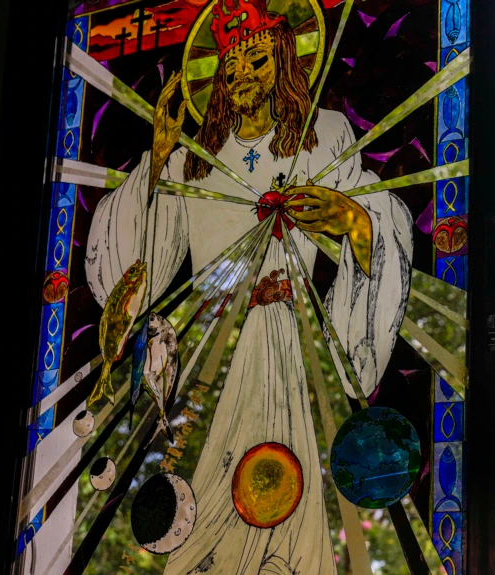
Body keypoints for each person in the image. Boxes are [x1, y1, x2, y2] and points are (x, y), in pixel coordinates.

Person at [84, 0, 412, 572]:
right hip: (212, 351)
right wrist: (159, 160)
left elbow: (377, 218)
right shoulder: (193, 160)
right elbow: (145, 267)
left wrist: (351, 220)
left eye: (256, 60)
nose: (240, 76)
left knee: (288, 485)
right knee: (205, 493)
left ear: (284, 61)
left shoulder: (323, 137)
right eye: (230, 66)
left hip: (287, 343)